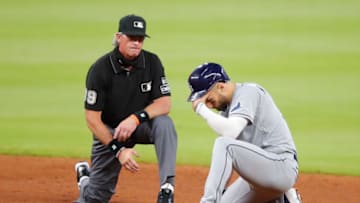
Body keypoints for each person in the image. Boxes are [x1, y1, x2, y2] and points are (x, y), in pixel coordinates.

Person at [74, 14, 177, 203]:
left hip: (140, 127)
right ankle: (86, 179)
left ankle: (167, 188)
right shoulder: (100, 69)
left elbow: (164, 103)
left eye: (140, 39)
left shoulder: (152, 62)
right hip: (110, 131)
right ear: (119, 37)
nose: (137, 42)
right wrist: (119, 150)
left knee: (164, 124)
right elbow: (92, 119)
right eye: (132, 37)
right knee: (95, 198)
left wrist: (135, 118)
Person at [187, 62, 302, 203]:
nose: (209, 106)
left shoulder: (248, 92)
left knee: (224, 144)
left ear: (221, 86)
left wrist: (200, 109)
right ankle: (283, 199)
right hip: (258, 179)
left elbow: (230, 133)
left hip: (281, 168)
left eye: (209, 100)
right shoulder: (226, 114)